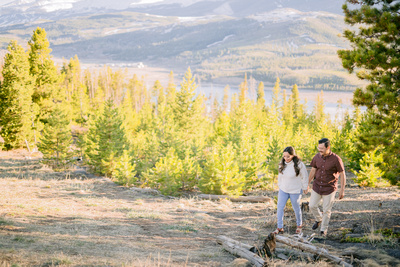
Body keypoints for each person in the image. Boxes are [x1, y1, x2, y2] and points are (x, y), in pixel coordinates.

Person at [304, 138, 346, 237]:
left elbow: (342, 174)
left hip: (329, 188)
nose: (319, 150)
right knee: (312, 205)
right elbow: (313, 171)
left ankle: (323, 230)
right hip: (317, 186)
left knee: (326, 210)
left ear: (328, 147)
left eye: (322, 148)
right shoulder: (316, 157)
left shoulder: (336, 159)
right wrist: (307, 183)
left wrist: (342, 189)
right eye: (318, 148)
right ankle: (319, 219)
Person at [274, 146, 308, 235]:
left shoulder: (299, 164)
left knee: (296, 208)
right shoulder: (282, 163)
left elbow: (304, 176)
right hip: (283, 190)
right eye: (284, 156)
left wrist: (305, 187)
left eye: (288, 156)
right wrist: (280, 186)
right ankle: (280, 227)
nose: (286, 158)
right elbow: (280, 176)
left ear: (293, 155)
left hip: (295, 190)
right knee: (280, 208)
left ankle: (299, 225)